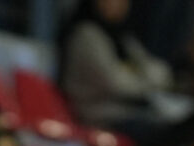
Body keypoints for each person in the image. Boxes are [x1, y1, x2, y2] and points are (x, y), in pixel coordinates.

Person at [57, 0, 171, 134]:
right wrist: (148, 83)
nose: (118, 5)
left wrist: (147, 80)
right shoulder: (86, 34)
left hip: (127, 112)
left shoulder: (122, 36)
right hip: (96, 115)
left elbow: (160, 72)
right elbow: (116, 84)